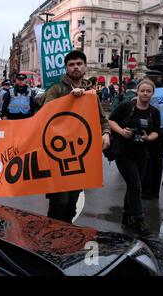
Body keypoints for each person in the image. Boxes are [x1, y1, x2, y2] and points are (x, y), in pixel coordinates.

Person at [42, 50, 111, 223]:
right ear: (66, 68)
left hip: (80, 156)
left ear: (85, 67)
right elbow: (45, 113)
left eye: (79, 64)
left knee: (72, 202)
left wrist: (106, 133)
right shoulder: (56, 90)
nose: (76, 67)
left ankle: (65, 237)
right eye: (71, 64)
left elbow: (102, 119)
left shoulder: (91, 93)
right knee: (60, 201)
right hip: (58, 156)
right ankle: (51, 239)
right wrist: (68, 100)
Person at [109, 80, 160, 236]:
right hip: (123, 152)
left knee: (133, 186)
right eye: (142, 90)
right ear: (137, 91)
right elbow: (110, 120)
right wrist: (122, 131)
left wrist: (148, 138)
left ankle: (126, 216)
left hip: (141, 153)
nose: (145, 93)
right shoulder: (126, 106)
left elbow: (156, 131)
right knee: (136, 186)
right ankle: (139, 220)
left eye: (148, 91)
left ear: (152, 93)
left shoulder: (154, 112)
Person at [143, 71, 163, 199]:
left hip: (153, 130)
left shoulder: (150, 95)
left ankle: (146, 190)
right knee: (158, 162)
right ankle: (155, 192)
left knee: (148, 161)